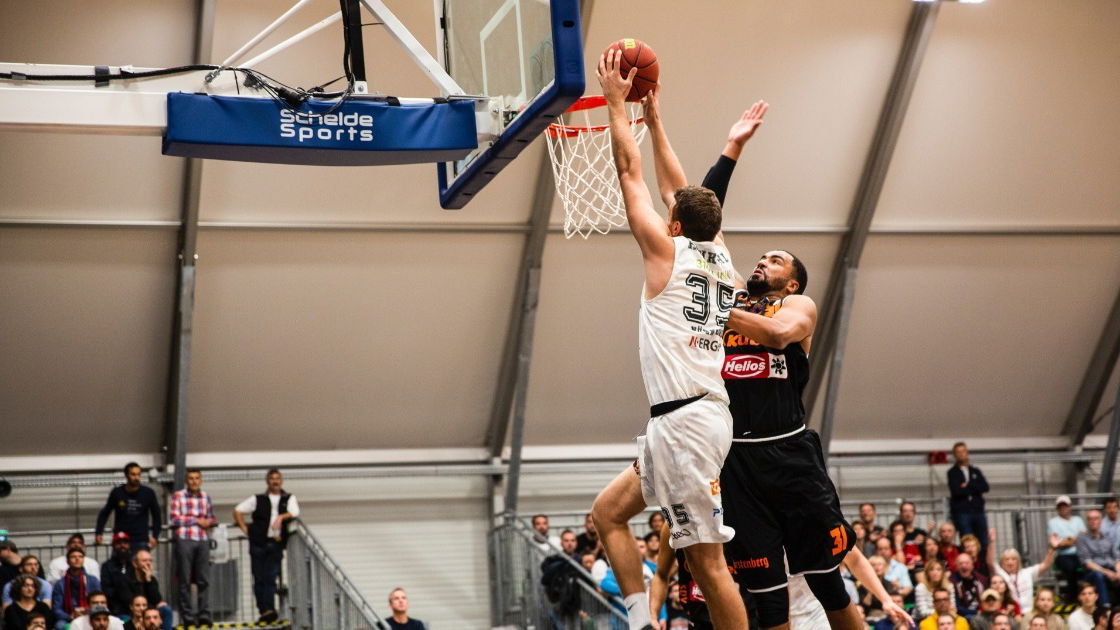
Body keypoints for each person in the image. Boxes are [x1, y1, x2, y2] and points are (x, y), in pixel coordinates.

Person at [587, 52, 744, 630]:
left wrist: (615, 102)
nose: (666, 204)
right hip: (681, 420)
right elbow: (677, 185)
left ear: (674, 226)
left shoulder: (665, 254)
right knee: (608, 514)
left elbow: (633, 176)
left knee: (707, 565)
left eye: (669, 210)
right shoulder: (720, 252)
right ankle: (638, 620)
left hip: (688, 425)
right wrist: (656, 121)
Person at [234, 468, 300, 623]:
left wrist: (282, 517)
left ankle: (269, 608)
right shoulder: (258, 499)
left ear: (281, 481)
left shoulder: (288, 498)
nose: (275, 481)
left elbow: (295, 512)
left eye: (277, 478)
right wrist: (245, 528)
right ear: (267, 481)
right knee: (258, 577)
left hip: (275, 542)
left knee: (271, 577)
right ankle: (264, 610)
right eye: (272, 478)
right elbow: (237, 510)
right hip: (258, 542)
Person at [169, 468, 215, 626]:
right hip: (185, 539)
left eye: (197, 478)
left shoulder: (206, 497)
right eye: (191, 478)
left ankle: (204, 614)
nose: (194, 481)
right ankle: (187, 616)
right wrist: (196, 521)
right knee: (184, 580)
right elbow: (174, 519)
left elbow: (211, 517)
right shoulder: (178, 496)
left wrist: (209, 522)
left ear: (201, 480)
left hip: (202, 539)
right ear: (187, 481)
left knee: (203, 580)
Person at [95, 463, 161, 551]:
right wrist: (99, 532)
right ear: (126, 475)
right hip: (121, 539)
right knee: (118, 564)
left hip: (140, 539)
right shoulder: (117, 492)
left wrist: (155, 536)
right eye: (133, 474)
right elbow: (105, 513)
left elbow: (157, 515)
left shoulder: (148, 493)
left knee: (141, 564)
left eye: (138, 474)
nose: (136, 478)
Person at [990, 529, 1058, 611]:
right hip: (1011, 612)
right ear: (1002, 562)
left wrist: (1053, 548)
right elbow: (990, 561)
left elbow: (1045, 565)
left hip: (1028, 612)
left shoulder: (1027, 573)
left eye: (1013, 559)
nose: (1010, 562)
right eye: (1006, 559)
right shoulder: (1000, 574)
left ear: (1018, 561)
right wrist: (991, 542)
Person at [116, 550, 171, 630]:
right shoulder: (125, 579)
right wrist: (142, 609)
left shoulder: (152, 580)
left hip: (148, 612)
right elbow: (128, 601)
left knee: (166, 609)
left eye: (150, 561)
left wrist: (149, 581)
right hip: (129, 613)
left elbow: (156, 600)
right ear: (135, 563)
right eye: (144, 561)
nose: (148, 563)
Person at [948, 442, 990, 543]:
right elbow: (956, 491)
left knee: (983, 539)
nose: (961, 454)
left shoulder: (975, 471)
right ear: (955, 455)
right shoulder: (952, 472)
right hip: (963, 512)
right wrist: (974, 486)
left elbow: (985, 487)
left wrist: (967, 485)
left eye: (963, 451)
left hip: (978, 510)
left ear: (967, 453)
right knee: (967, 539)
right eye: (958, 452)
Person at [52, 548, 102, 630]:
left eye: (80, 556)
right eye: (73, 557)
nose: (77, 559)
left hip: (91, 615)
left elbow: (99, 602)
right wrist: (70, 616)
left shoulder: (93, 580)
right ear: (67, 561)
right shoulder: (60, 584)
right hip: (68, 617)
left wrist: (86, 612)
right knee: (60, 625)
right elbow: (57, 608)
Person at [1050, 496, 1088, 602]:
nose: (1063, 508)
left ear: (1070, 507)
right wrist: (1074, 539)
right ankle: (1073, 598)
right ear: (1057, 508)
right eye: (1060, 506)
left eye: (1065, 505)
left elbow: (1083, 537)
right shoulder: (1053, 522)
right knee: (1070, 568)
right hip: (1063, 555)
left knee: (1089, 565)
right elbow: (1056, 544)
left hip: (1080, 554)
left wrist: (1067, 540)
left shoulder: (1078, 520)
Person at [1079, 509, 1120, 607]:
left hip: (1111, 569)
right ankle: (1105, 607)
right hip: (1093, 572)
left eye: (1096, 518)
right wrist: (1106, 572)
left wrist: (1118, 572)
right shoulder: (1082, 539)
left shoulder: (1108, 537)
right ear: (1087, 522)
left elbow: (1117, 558)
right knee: (1098, 575)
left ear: (1101, 521)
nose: (1093, 521)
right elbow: (1088, 563)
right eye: (1090, 519)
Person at [99, 532, 133, 615]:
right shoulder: (107, 566)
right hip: (116, 608)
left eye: (125, 543)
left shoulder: (134, 564)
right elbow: (106, 589)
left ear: (129, 545)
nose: (122, 546)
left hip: (135, 607)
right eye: (119, 543)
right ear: (113, 546)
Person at [952, 552, 986, 618]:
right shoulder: (952, 582)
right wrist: (976, 612)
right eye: (960, 563)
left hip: (982, 614)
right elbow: (956, 607)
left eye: (967, 563)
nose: (964, 566)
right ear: (956, 566)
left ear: (972, 565)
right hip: (962, 616)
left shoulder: (981, 580)